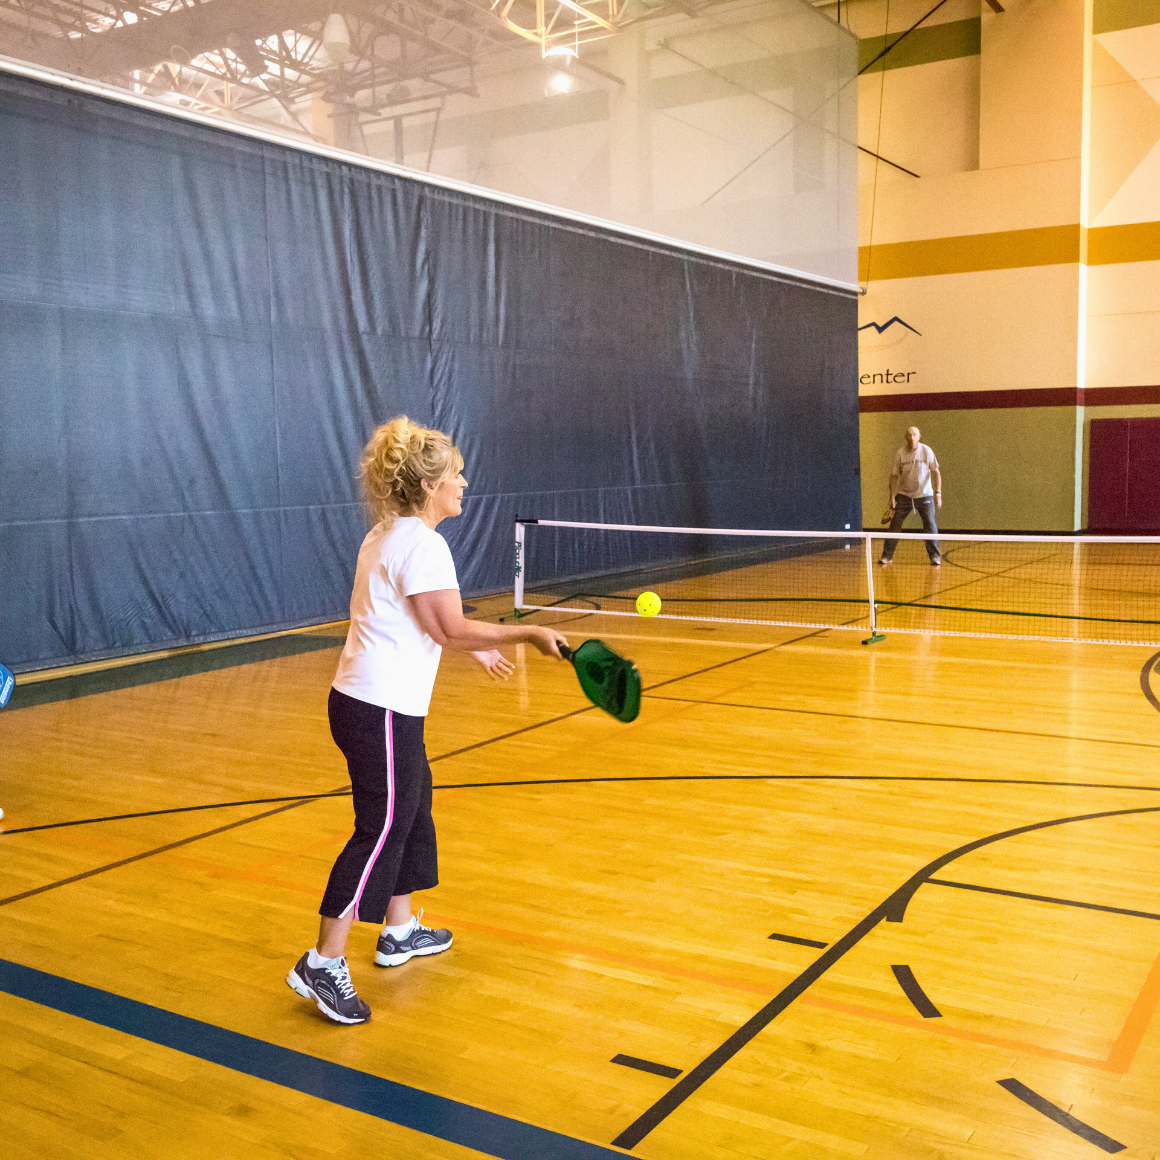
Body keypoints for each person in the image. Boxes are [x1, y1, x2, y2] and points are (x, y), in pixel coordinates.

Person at [288, 416, 568, 1025]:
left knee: (412, 808)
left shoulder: (387, 534)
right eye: (457, 475)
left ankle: (399, 929)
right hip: (379, 708)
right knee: (381, 826)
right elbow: (446, 626)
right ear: (430, 484)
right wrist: (527, 633)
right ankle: (323, 961)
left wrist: (473, 643)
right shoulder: (422, 543)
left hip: (369, 704)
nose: (465, 484)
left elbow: (426, 620)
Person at [880, 425, 942, 566]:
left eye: (914, 435)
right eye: (909, 435)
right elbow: (894, 476)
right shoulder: (900, 454)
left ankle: (935, 557)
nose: (911, 437)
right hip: (904, 495)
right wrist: (891, 497)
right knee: (894, 524)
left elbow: (936, 472)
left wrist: (938, 493)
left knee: (930, 524)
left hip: (925, 495)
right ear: (905, 437)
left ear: (919, 436)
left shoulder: (927, 451)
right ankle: (887, 556)